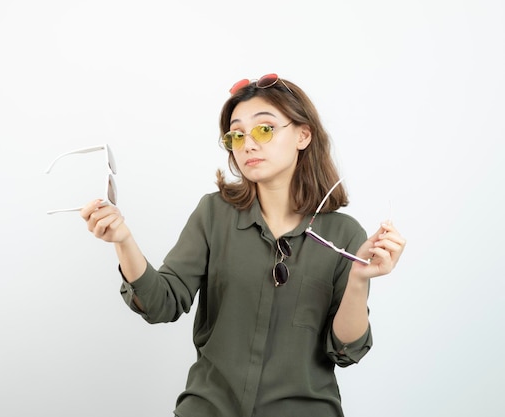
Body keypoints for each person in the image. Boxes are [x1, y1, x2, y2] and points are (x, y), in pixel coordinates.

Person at [80, 74, 406, 417]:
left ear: (303, 134)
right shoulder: (213, 214)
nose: (248, 144)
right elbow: (161, 303)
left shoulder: (344, 235)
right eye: (236, 134)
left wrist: (358, 278)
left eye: (264, 129)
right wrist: (123, 240)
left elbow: (346, 350)